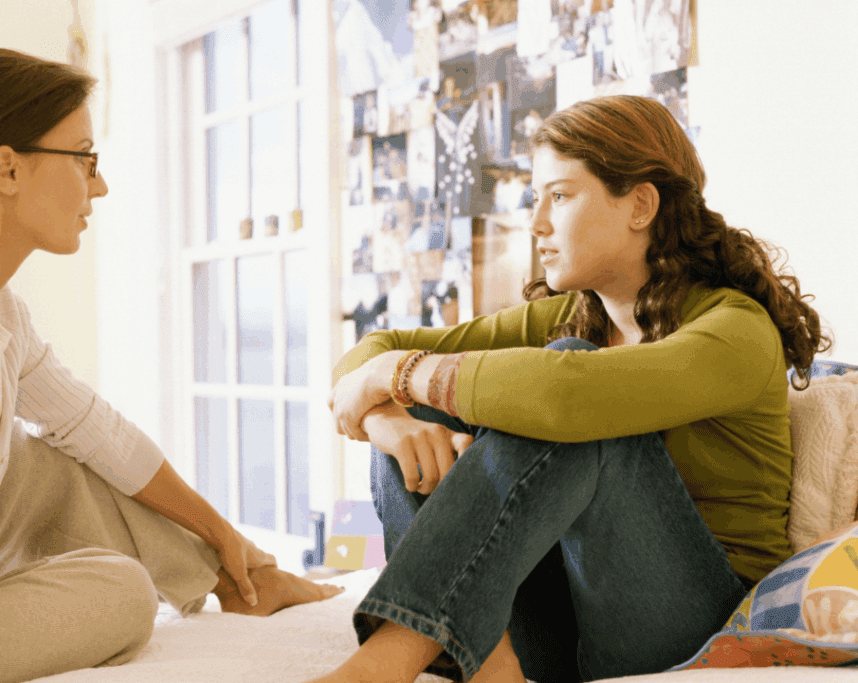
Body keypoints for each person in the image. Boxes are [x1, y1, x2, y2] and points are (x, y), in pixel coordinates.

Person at [0, 47, 340, 683]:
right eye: (85, 159)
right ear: (7, 170)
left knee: (47, 464)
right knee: (123, 592)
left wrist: (226, 538)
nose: (99, 185)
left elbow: (95, 429)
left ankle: (240, 580)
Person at [316, 94, 830, 683]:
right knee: (419, 427)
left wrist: (397, 377)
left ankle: (389, 657)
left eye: (558, 196)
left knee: (569, 392)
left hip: (694, 624)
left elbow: (567, 396)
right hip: (566, 620)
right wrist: (393, 418)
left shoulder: (736, 330)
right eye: (536, 199)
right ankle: (488, 664)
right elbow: (370, 353)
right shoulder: (571, 315)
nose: (536, 223)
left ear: (640, 204)